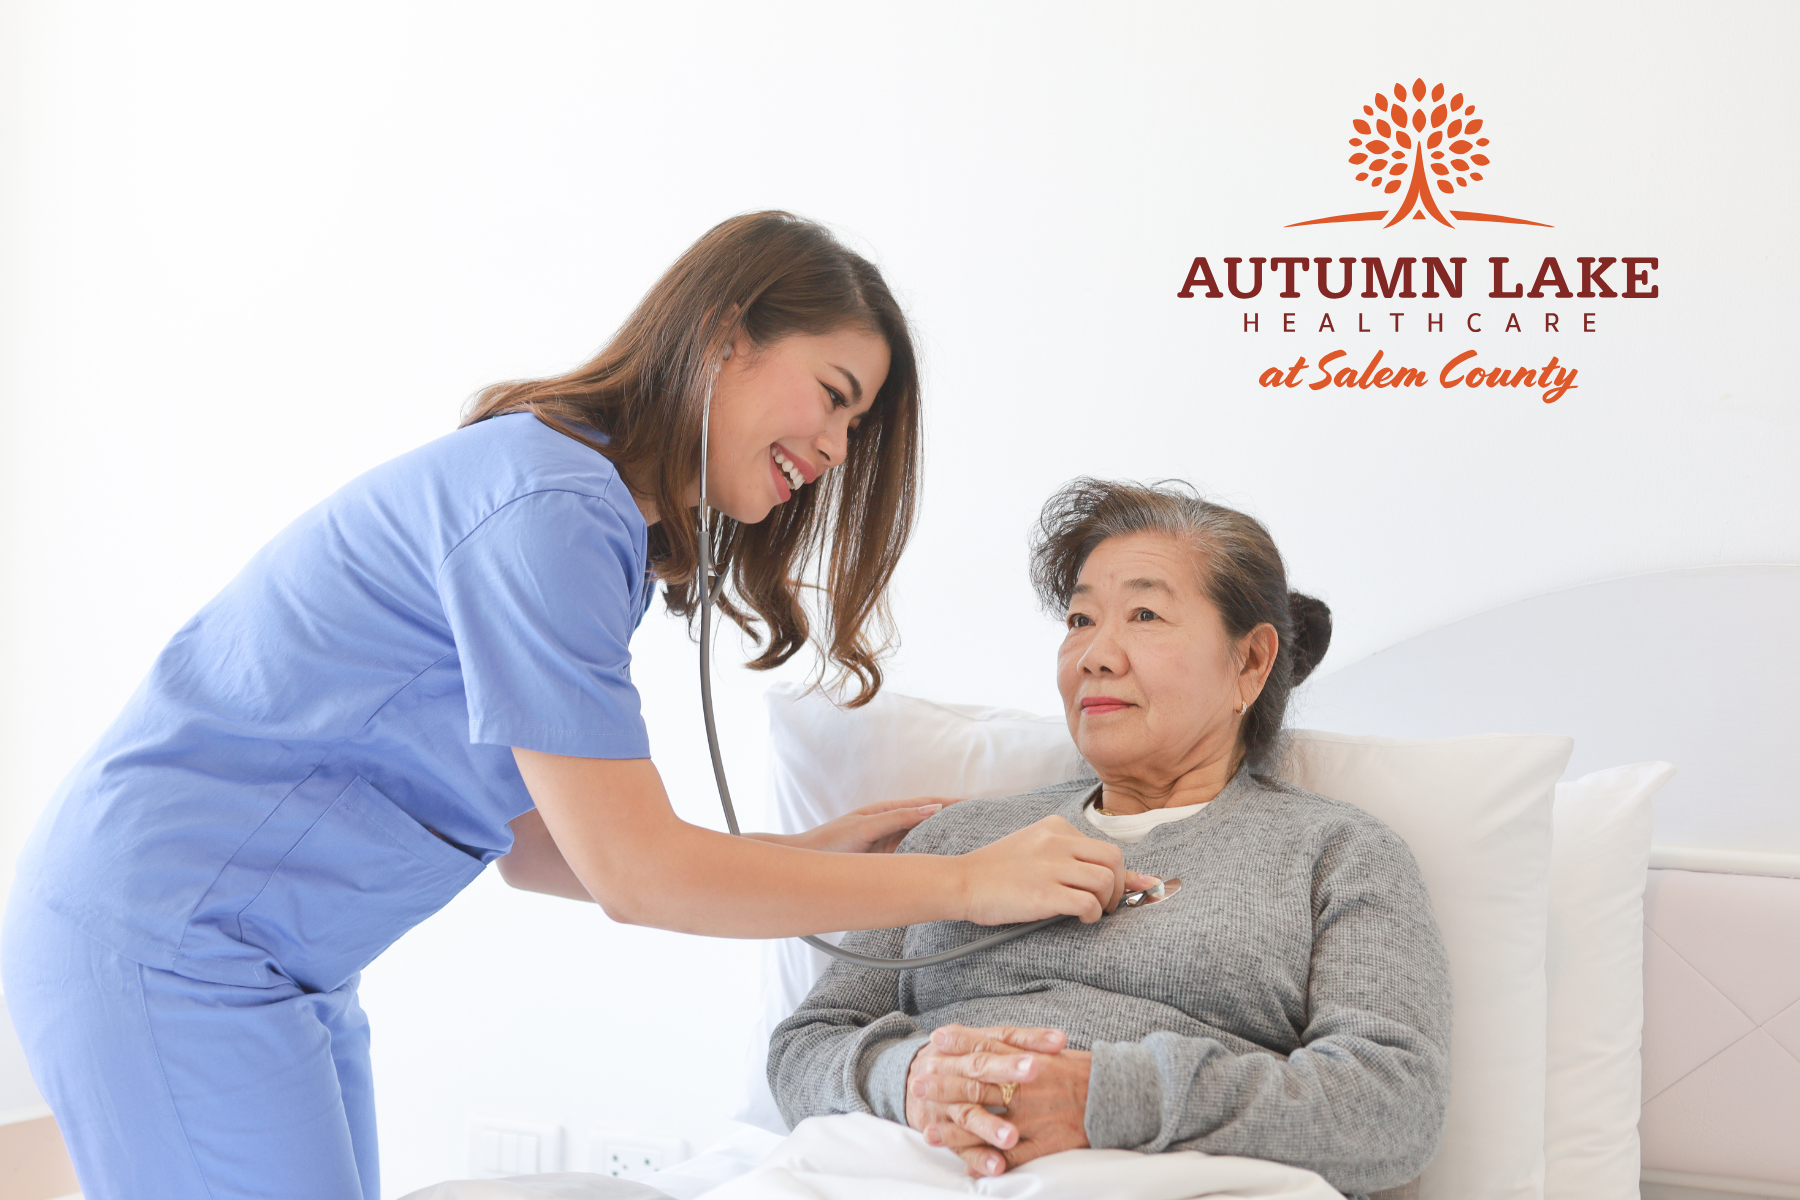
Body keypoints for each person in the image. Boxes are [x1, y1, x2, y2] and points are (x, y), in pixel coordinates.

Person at [0, 213, 1150, 1200]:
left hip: (269, 967)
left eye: (857, 429)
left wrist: (792, 857)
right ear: (726, 335)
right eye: (835, 399)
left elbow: (536, 848)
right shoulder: (552, 506)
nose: (838, 451)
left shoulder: (587, 517)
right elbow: (633, 875)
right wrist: (966, 883)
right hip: (171, 944)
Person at [768, 479, 1453, 1200]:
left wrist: (1105, 1098)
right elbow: (804, 1048)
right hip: (893, 1166)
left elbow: (1393, 1106)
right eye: (1078, 619)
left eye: (1145, 614)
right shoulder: (960, 839)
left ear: (1249, 663)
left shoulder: (1335, 853)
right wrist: (907, 1079)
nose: (1095, 653)